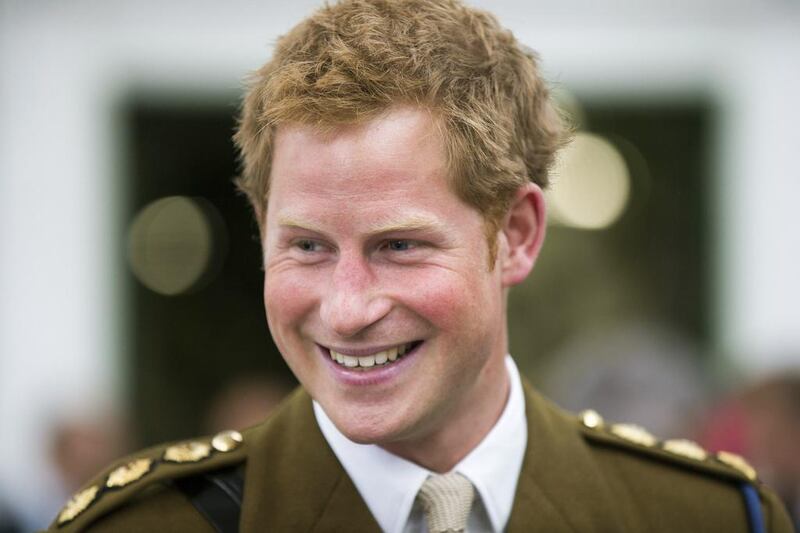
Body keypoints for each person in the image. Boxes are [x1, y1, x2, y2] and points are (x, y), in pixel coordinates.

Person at [49, 0, 793, 531]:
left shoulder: (704, 515)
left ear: (519, 234)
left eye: (399, 245)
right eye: (307, 245)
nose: (345, 308)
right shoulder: (150, 522)